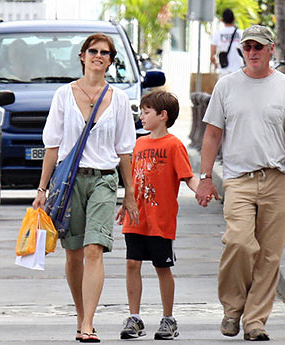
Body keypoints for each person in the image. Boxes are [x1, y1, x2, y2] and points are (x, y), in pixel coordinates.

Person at [196, 25, 285, 341]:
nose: (253, 52)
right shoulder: (227, 86)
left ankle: (255, 321)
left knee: (269, 255)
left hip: (276, 178)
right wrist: (205, 179)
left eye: (259, 46)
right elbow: (212, 134)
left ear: (271, 49)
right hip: (239, 180)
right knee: (240, 243)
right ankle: (232, 310)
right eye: (247, 47)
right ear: (242, 51)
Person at [32, 33, 138, 343]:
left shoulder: (118, 99)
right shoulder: (63, 95)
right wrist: (42, 189)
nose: (99, 56)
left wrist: (129, 191)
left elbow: (124, 150)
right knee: (74, 254)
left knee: (94, 249)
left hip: (104, 180)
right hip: (70, 182)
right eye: (93, 51)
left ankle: (89, 323)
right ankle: (81, 315)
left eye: (105, 53)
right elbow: (52, 146)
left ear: (110, 60)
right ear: (82, 56)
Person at [116, 91, 198, 341]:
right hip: (136, 217)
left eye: (146, 112)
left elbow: (187, 176)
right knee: (132, 264)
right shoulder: (139, 144)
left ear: (163, 116)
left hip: (160, 219)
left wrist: (201, 191)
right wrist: (125, 203)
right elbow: (133, 181)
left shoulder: (174, 145)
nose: (141, 116)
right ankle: (135, 318)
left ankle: (168, 318)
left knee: (162, 267)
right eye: (141, 111)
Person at [210, 9, 244, 77]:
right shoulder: (241, 33)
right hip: (239, 71)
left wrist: (215, 64)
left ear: (222, 20)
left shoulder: (217, 34)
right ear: (234, 19)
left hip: (224, 72)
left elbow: (212, 56)